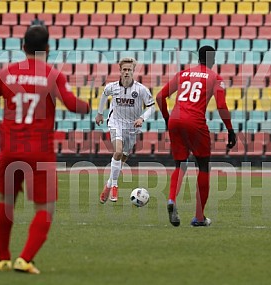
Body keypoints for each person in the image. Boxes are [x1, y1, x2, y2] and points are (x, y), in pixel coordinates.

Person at [0, 25, 90, 274]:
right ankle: (25, 258)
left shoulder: (6, 73)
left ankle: (3, 258)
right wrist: (89, 106)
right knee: (45, 208)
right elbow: (72, 105)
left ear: (22, 46)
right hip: (39, 152)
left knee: (6, 203)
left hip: (10, 148)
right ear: (48, 48)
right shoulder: (53, 75)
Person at [156, 46, 236, 227]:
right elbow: (222, 106)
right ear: (211, 59)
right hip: (195, 122)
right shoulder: (215, 78)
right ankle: (199, 217)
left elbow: (160, 96)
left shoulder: (183, 74)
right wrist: (230, 130)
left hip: (175, 120)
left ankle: (171, 199)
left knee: (180, 164)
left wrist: (168, 119)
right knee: (203, 166)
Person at [96, 57, 155, 204]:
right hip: (115, 122)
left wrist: (142, 118)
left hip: (131, 127)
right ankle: (115, 186)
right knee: (118, 151)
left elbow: (151, 106)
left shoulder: (141, 90)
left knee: (123, 157)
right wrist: (99, 113)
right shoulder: (112, 87)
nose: (127, 72)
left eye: (129, 69)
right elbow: (104, 94)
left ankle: (109, 183)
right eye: (124, 69)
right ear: (120, 71)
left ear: (133, 71)